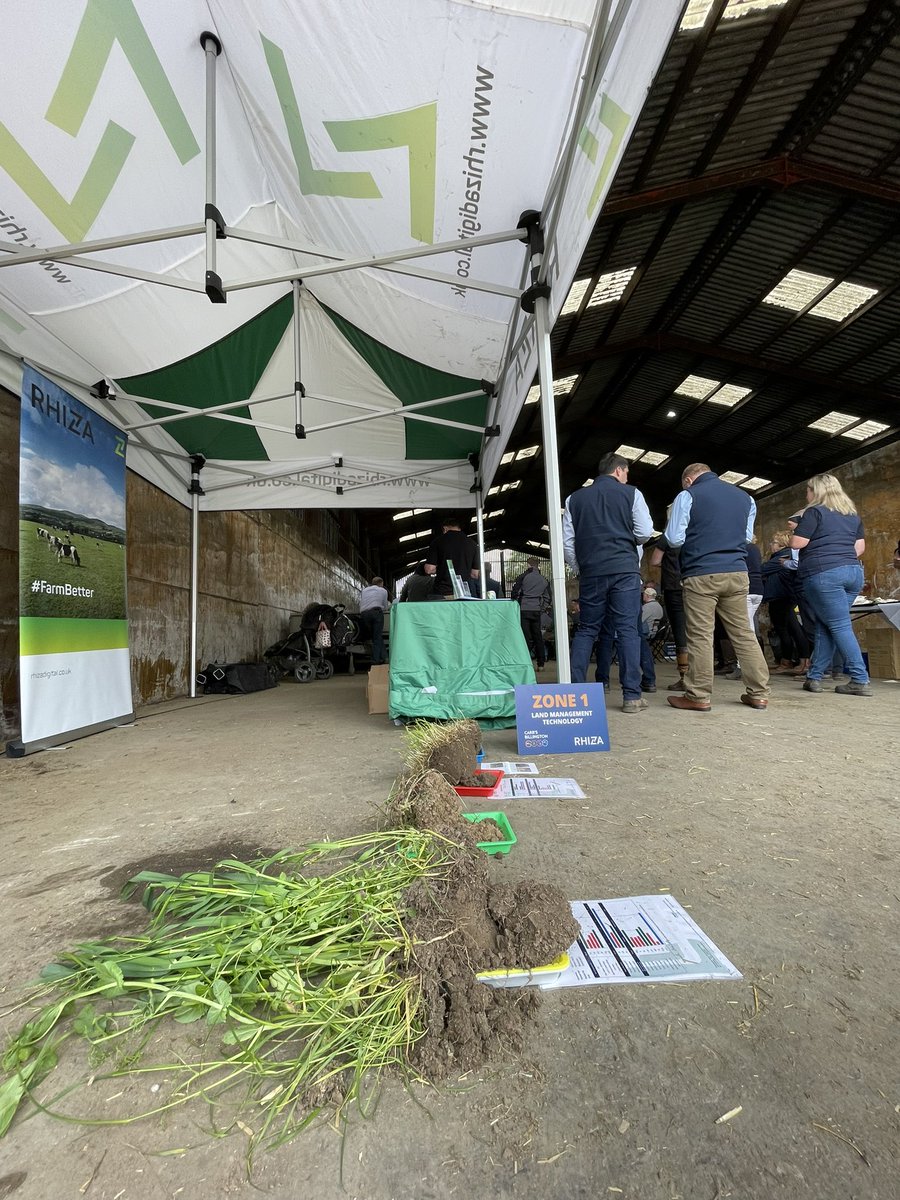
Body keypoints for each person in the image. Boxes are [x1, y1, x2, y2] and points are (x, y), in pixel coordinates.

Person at [659, 463, 770, 712]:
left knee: (700, 635)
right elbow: (745, 537)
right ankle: (759, 693)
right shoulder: (746, 498)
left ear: (688, 480)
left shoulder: (687, 495)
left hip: (701, 573)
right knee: (743, 633)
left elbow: (675, 538)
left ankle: (698, 696)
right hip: (737, 572)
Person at [562, 452, 654, 712]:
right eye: (626, 473)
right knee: (627, 630)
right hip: (625, 570)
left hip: (592, 572)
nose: (627, 478)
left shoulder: (574, 499)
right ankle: (632, 697)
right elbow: (645, 532)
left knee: (587, 629)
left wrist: (581, 568)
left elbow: (568, 542)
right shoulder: (632, 494)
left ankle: (576, 695)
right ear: (619, 471)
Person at [791, 474, 871, 697]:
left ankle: (859, 679)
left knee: (839, 626)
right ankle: (814, 677)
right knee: (826, 625)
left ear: (815, 492)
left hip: (824, 574)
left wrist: (795, 532)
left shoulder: (814, 512)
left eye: (808, 490)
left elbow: (798, 543)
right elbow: (859, 548)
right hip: (853, 573)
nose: (806, 494)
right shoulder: (852, 514)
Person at [511, 557, 551, 670]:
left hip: (524, 609)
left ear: (528, 564)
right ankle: (541, 663)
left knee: (525, 637)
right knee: (538, 636)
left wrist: (517, 605)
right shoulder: (544, 580)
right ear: (538, 565)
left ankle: (525, 663)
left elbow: (515, 593)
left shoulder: (523, 577)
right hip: (536, 611)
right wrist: (541, 608)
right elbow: (548, 598)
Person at [425, 516, 478, 597]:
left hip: (443, 591)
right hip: (465, 592)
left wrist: (440, 569)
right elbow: (475, 574)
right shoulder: (473, 544)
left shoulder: (437, 542)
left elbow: (429, 569)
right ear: (459, 528)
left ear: (445, 528)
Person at [357, 576, 390, 665]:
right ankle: (376, 660)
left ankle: (385, 657)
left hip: (364, 615)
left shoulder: (364, 590)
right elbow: (386, 607)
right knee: (377, 637)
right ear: (381, 583)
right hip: (376, 613)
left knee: (376, 636)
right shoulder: (383, 591)